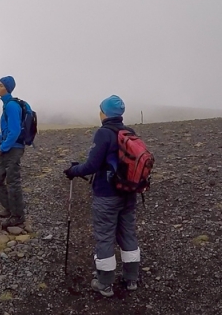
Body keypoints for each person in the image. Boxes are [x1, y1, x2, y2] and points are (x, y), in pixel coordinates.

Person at [63, 94, 140, 297]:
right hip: (129, 192)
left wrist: (73, 170)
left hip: (107, 194)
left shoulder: (103, 133)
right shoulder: (129, 132)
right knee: (128, 233)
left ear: (104, 113)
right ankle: (131, 279)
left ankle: (105, 283)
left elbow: (92, 165)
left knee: (105, 237)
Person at [0, 76, 26, 229]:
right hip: (8, 148)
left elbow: (15, 131)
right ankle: (10, 209)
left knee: (13, 182)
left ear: (7, 89)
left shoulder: (11, 106)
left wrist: (1, 147)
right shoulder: (7, 105)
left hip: (14, 149)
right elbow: (7, 130)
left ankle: (18, 216)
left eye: (0, 85)